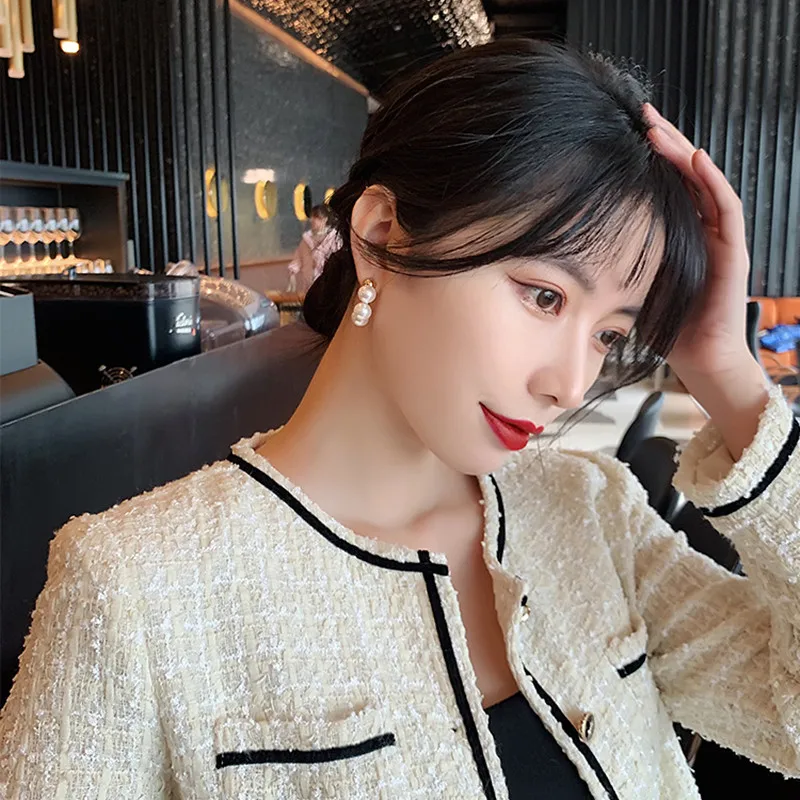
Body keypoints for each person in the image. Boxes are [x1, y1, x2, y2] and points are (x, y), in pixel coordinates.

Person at [1, 40, 798, 800]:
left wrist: (727, 372)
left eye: (609, 336)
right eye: (544, 295)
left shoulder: (593, 515)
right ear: (381, 233)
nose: (568, 383)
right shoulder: (138, 588)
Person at [286, 203, 341, 294]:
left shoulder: (334, 238)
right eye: (312, 217)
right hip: (309, 283)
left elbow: (339, 259)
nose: (312, 220)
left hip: (329, 283)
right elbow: (299, 257)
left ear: (324, 219)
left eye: (316, 217)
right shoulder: (306, 239)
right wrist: (293, 270)